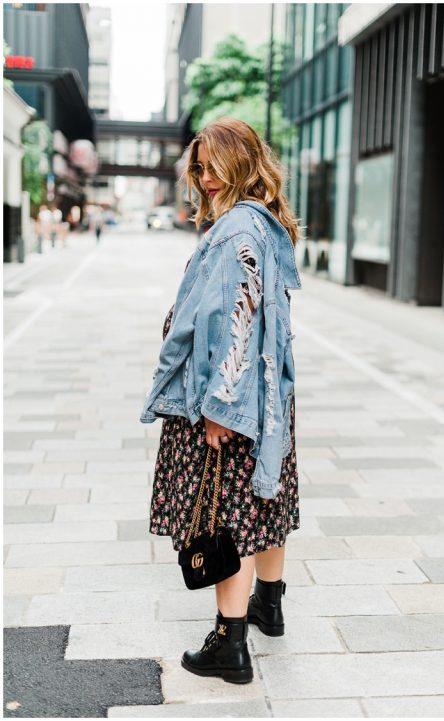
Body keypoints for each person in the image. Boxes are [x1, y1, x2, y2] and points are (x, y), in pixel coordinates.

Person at [140, 117, 303, 684]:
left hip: (229, 399)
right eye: (200, 168)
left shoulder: (236, 231)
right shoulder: (263, 222)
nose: (206, 178)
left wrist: (219, 407)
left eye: (214, 166)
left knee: (225, 513)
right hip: (267, 397)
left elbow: (237, 323)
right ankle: (269, 605)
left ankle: (228, 643)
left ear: (242, 161)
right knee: (266, 503)